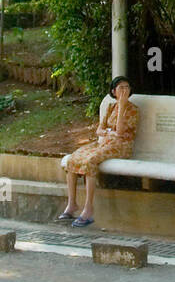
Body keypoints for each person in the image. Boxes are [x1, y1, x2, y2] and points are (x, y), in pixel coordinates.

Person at [59, 76, 138, 227]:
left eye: (127, 87)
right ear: (114, 91)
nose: (124, 90)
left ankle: (88, 210)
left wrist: (121, 107)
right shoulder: (109, 107)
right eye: (121, 88)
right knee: (73, 159)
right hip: (105, 143)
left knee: (90, 161)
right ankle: (72, 204)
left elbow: (121, 132)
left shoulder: (133, 110)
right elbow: (99, 130)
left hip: (122, 147)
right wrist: (109, 131)